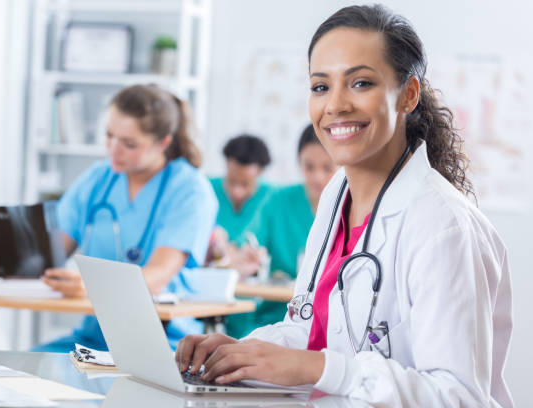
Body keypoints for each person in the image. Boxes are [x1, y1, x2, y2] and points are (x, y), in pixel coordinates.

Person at [175, 5, 513, 407]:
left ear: (408, 94)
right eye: (320, 87)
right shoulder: (337, 195)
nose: (335, 105)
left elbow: (460, 397)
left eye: (361, 83)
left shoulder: (443, 227)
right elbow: (310, 329)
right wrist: (239, 353)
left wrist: (319, 368)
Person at [34, 84, 218, 352]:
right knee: (18, 372)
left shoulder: (190, 190)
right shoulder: (99, 178)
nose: (113, 149)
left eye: (129, 144)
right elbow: (48, 253)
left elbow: (158, 275)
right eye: (109, 136)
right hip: (93, 339)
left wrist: (90, 286)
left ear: (163, 142)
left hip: (159, 342)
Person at [225, 124, 338, 338]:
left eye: (327, 167)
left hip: (329, 321)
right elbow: (242, 245)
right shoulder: (278, 201)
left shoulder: (352, 206)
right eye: (309, 167)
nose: (317, 177)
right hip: (275, 317)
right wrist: (245, 257)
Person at [209, 134, 273, 244]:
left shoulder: (271, 197)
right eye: (232, 181)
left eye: (245, 184)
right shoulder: (207, 189)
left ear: (260, 172)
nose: (237, 192)